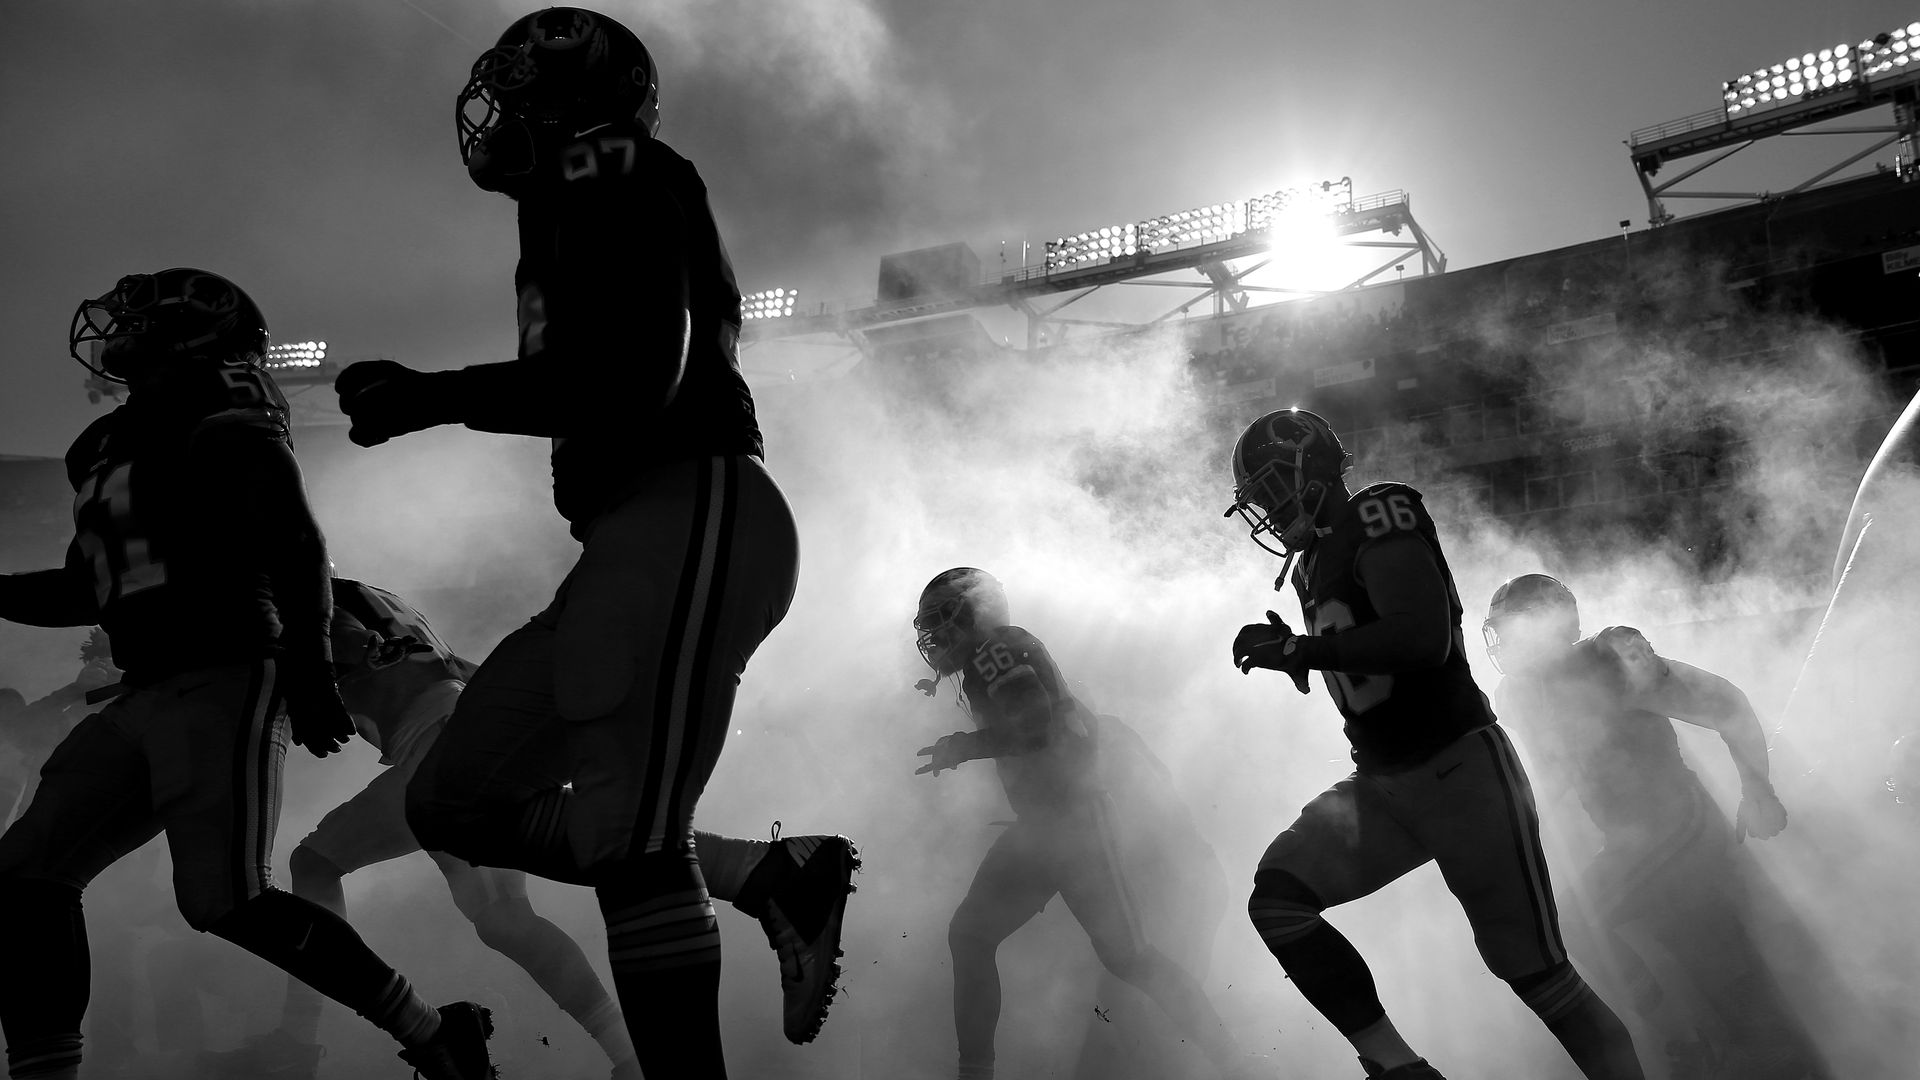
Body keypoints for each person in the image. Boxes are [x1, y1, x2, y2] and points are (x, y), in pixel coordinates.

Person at [334, 9, 849, 1072]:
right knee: (452, 799)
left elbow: (631, 374)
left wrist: (437, 395)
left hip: (689, 506)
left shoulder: (604, 172)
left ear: (567, 103)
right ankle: (764, 875)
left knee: (633, 840)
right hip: (635, 534)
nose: (501, 115)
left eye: (520, 92)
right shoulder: (569, 197)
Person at [0, 267, 492, 1080]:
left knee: (223, 898)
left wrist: (309, 671)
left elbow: (297, 543)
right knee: (23, 878)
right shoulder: (103, 444)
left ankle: (437, 1032)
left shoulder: (223, 412)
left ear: (191, 336)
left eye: (140, 317)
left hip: (226, 670)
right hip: (146, 685)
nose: (117, 328)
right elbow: (87, 588)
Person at [1224, 408, 1643, 1080]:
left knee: (1538, 975)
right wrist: (1310, 657)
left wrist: (1306, 649)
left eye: (1275, 485)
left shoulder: (1379, 511)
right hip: (1384, 781)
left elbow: (1422, 639)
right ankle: (1401, 1069)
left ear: (1315, 469)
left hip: (1461, 770)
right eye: (1260, 496)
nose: (1270, 508)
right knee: (1277, 898)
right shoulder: (1309, 568)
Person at [1482, 574, 1829, 1079]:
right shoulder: (1518, 693)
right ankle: (1707, 1040)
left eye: (1514, 628)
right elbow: (1559, 774)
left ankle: (1681, 1033)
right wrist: (1505, 836)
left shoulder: (1606, 659)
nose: (1505, 645)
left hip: (1678, 826)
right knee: (1718, 972)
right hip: (1634, 845)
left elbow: (1726, 703)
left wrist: (1759, 790)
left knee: (1575, 920)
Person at [912, 568, 1249, 1080]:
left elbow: (1033, 724)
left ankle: (1236, 1063)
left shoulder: (995, 649)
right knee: (971, 934)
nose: (936, 635)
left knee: (1129, 958)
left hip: (1075, 820)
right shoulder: (989, 656)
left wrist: (964, 747)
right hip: (1044, 825)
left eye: (944, 619)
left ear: (975, 611)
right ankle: (974, 1073)